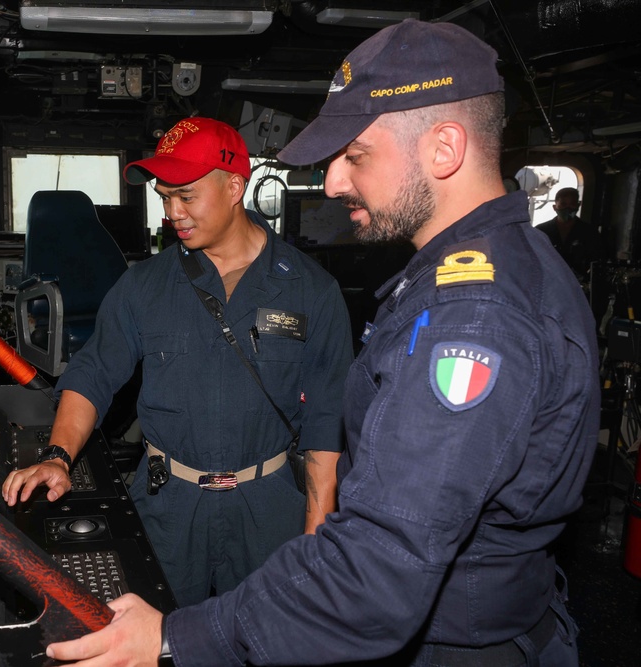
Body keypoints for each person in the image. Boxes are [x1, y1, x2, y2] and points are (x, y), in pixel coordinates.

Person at [46, 19, 600, 667]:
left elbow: (377, 567)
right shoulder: (473, 277)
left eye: (356, 155)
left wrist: (175, 637)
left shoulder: (473, 314)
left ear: (443, 148)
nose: (333, 182)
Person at [2, 116, 354, 607]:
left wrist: (316, 541)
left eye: (186, 195)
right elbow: (95, 372)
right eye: (164, 197)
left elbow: (325, 420)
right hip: (170, 504)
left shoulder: (312, 290)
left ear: (235, 186)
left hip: (268, 506)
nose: (173, 212)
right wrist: (58, 456)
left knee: (271, 639)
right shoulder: (143, 286)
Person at [535, 186, 602, 280]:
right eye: (563, 204)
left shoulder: (589, 232)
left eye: (572, 204)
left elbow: (596, 260)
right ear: (555, 207)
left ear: (578, 205)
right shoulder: (541, 230)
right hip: (547, 282)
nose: (568, 208)